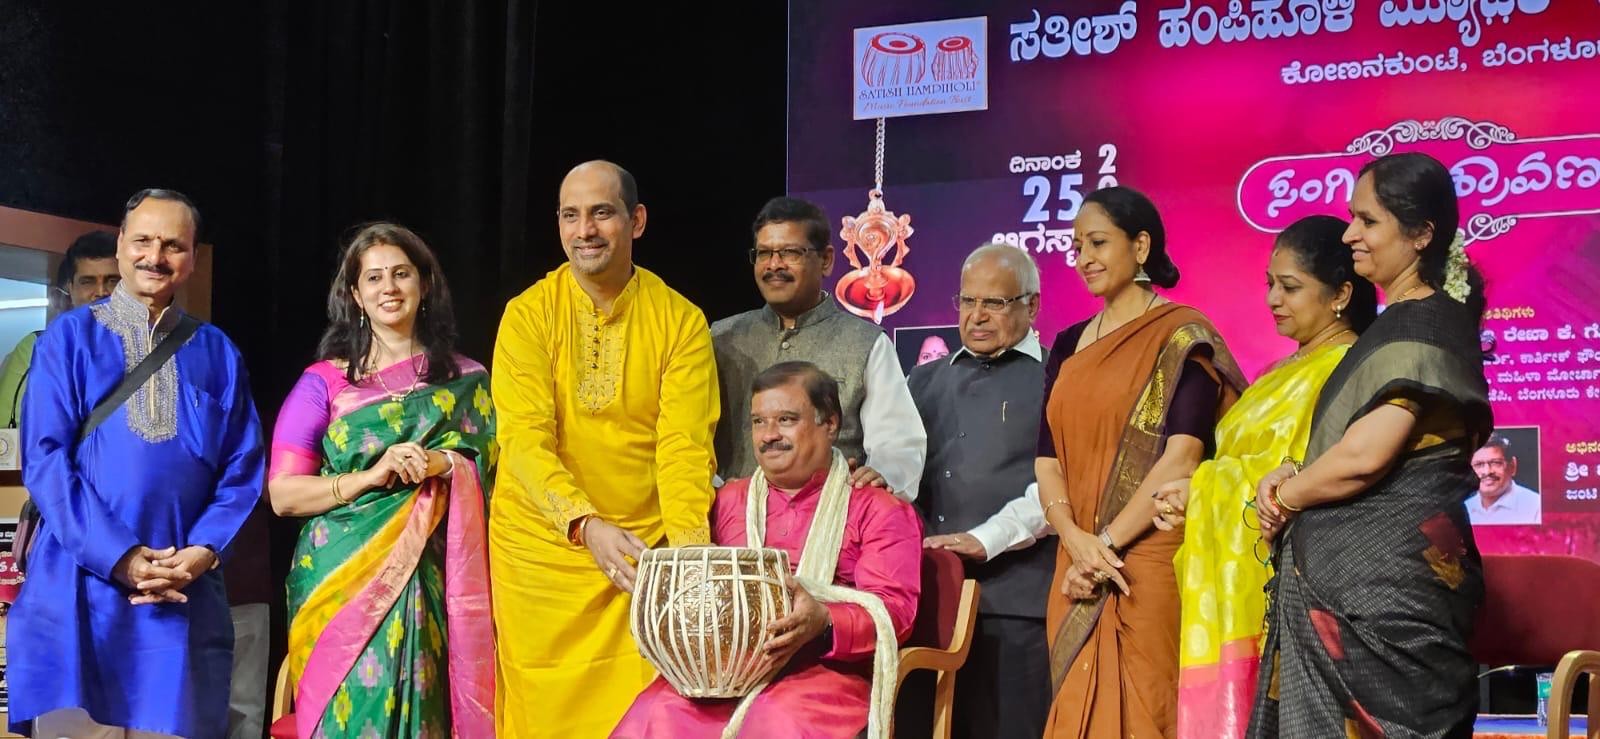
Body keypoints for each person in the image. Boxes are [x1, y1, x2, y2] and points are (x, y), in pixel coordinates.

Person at [1248, 152, 1492, 737]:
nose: (1349, 234)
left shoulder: (1422, 326)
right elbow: (1358, 448)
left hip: (1386, 602)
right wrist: (1293, 472)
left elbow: (1365, 457)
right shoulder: (1399, 323)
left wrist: (1284, 497)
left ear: (1421, 234)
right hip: (1355, 594)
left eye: (1368, 220)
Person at [8, 189, 264, 738]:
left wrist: (203, 550)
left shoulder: (218, 352)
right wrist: (119, 555)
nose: (156, 256)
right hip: (80, 587)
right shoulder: (69, 340)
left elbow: (242, 470)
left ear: (192, 257)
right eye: (143, 240)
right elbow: (46, 461)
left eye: (173, 245)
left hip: (180, 595)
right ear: (121, 245)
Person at [491, 160, 720, 737]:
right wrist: (583, 524)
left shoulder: (681, 322)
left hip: (639, 558)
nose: (584, 230)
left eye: (601, 213)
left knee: (639, 717)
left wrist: (687, 559)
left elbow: (684, 449)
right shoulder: (527, 315)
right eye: (570, 215)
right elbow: (523, 438)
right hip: (540, 554)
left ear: (636, 221)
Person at [1150, 215, 1377, 738]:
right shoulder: (1281, 371)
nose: (1274, 299)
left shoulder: (1346, 367)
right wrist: (1197, 496)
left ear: (1341, 294)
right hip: (1239, 568)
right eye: (1270, 284)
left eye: (1290, 287)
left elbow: (1309, 470)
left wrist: (1201, 491)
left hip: (1296, 586)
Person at [268, 223, 496, 737]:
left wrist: (445, 464)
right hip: (338, 579)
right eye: (373, 278)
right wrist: (370, 477)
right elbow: (282, 495)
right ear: (355, 294)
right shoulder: (324, 383)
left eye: (401, 274)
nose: (388, 288)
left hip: (433, 579)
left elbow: (498, 481)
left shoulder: (469, 381)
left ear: (425, 284)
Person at [613, 361, 921, 738]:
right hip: (722, 673)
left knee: (774, 718)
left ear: (830, 423)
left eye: (786, 420)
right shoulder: (727, 501)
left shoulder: (877, 508)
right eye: (759, 422)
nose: (769, 435)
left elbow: (893, 612)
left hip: (824, 676)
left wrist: (822, 621)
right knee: (655, 711)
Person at [1038, 186, 1245, 738]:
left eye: (1098, 243)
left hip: (1145, 559)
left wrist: (1105, 545)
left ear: (1141, 246)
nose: (1084, 258)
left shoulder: (1182, 337)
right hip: (1074, 560)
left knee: (1147, 710)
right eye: (1077, 246)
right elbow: (1046, 459)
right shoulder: (1068, 344)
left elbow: (1183, 456)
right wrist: (1076, 540)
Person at [908, 244, 1055, 739]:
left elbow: (1068, 484)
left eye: (994, 303)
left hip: (1016, 604)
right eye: (967, 301)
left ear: (1032, 306)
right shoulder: (922, 380)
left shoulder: (1060, 378)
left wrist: (985, 539)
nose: (977, 316)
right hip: (927, 600)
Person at [712, 196, 925, 498]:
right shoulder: (721, 338)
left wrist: (881, 480)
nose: (774, 265)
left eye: (790, 252)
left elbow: (898, 445)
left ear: (826, 260)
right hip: (732, 520)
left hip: (836, 519)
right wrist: (717, 491)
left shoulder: (865, 342)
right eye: (764, 253)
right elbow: (688, 437)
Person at [0, 231, 118, 428]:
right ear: (70, 288)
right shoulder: (38, 347)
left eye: (112, 281)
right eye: (87, 281)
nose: (101, 292)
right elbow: (8, 429)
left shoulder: (146, 345)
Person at [1465, 434, 1541, 525]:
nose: (1487, 471)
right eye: (1478, 464)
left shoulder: (1536, 506)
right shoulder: (1464, 507)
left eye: (1496, 463)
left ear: (1512, 466)